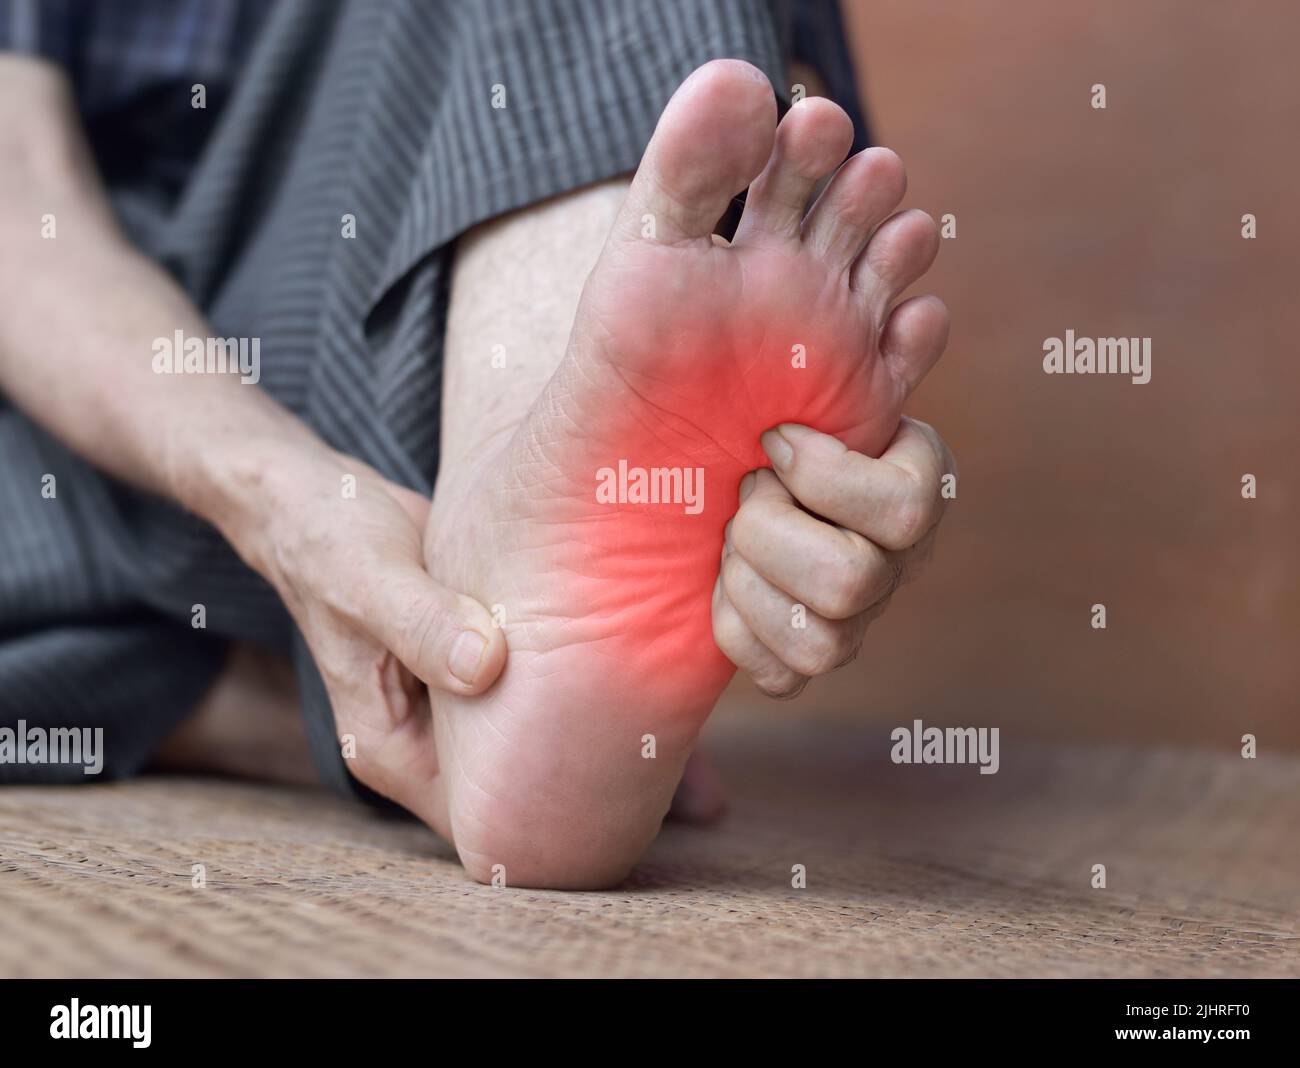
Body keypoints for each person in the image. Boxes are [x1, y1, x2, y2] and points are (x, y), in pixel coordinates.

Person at [0, 0, 953, 888]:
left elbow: (753, 117)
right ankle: (398, 662)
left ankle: (512, 486)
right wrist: (276, 494)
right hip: (87, 360)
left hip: (402, 295)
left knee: (685, 134)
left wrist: (809, 498)